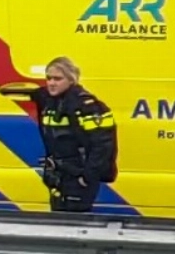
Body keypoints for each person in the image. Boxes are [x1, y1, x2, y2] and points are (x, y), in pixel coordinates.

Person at [32, 56, 119, 213]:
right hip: (59, 176)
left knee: (73, 223)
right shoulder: (52, 101)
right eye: (48, 78)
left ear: (71, 79)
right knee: (58, 221)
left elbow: (103, 145)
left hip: (77, 177)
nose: (51, 83)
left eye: (58, 79)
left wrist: (87, 177)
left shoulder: (86, 106)